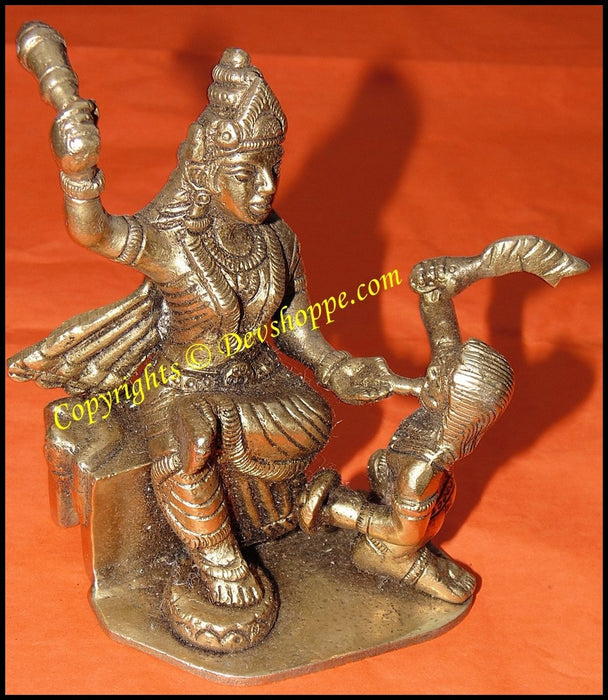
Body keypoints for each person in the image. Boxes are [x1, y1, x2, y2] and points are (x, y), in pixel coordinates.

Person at [8, 44, 423, 649]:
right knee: (192, 439)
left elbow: (295, 323)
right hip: (180, 388)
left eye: (272, 168)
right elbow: (94, 231)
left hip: (263, 385)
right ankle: (219, 561)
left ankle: (285, 518)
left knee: (314, 414)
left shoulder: (277, 239)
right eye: (246, 173)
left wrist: (335, 365)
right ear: (206, 172)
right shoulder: (174, 243)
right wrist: (78, 172)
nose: (266, 187)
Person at [299, 236, 588, 603]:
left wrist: (342, 511)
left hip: (396, 534)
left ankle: (398, 563)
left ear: (458, 404)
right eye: (447, 360)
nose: (437, 367)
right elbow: (434, 299)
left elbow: (403, 532)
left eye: (448, 370)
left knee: (404, 524)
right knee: (388, 478)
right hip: (395, 490)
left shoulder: (423, 469)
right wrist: (469, 272)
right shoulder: (441, 393)